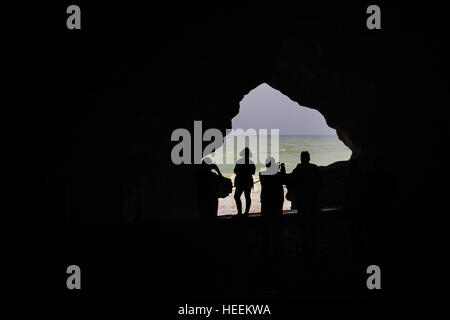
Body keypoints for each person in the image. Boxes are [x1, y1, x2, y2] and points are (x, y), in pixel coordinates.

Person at [291, 151, 322, 259]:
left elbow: (293, 181)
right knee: (313, 222)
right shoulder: (314, 168)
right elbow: (319, 183)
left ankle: (305, 243)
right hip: (313, 199)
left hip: (302, 199)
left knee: (303, 222)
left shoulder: (298, 169)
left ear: (301, 159)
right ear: (309, 158)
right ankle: (313, 243)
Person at [259, 157, 286, 256]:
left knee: (266, 221)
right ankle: (277, 242)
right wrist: (281, 168)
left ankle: (266, 244)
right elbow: (284, 179)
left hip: (266, 199)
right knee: (277, 221)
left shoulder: (262, 174)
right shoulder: (278, 174)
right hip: (277, 200)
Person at [197, 157, 223, 222]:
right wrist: (218, 170)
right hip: (212, 196)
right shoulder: (212, 175)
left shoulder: (200, 174)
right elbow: (221, 179)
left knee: (204, 214)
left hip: (203, 197)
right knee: (213, 214)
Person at [233, 148, 256, 217]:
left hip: (240, 180)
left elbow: (235, 171)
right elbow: (253, 172)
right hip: (248, 180)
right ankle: (246, 212)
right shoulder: (251, 162)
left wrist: (241, 172)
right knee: (247, 197)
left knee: (237, 196)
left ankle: (240, 212)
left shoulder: (239, 161)